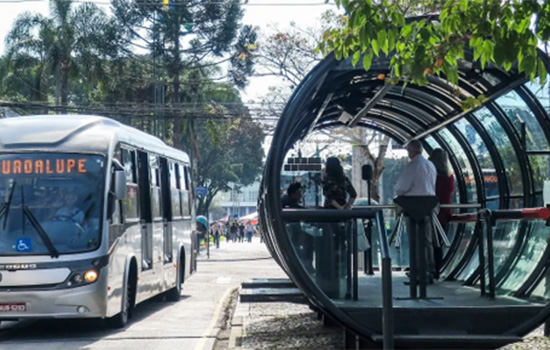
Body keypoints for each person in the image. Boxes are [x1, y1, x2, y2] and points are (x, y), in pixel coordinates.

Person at [395, 140, 437, 283]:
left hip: (413, 206)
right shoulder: (430, 165)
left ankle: (418, 272)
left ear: (411, 151)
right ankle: (430, 270)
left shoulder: (412, 166)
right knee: (427, 240)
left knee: (415, 241)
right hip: (429, 204)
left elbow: (402, 187)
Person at [429, 148, 455, 279]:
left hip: (431, 211)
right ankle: (437, 270)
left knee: (428, 242)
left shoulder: (432, 177)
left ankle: (429, 269)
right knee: (438, 243)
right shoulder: (449, 177)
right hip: (445, 213)